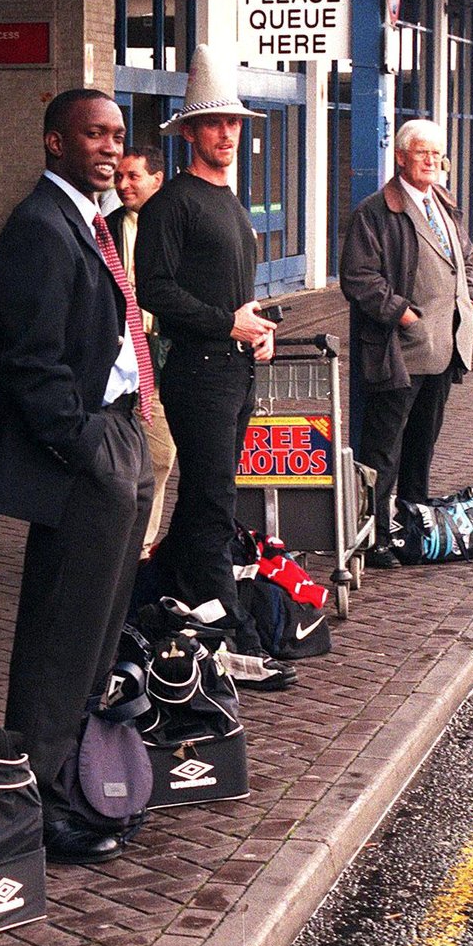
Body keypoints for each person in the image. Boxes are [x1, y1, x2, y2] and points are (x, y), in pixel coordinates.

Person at [0, 89, 154, 866]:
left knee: (99, 629)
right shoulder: (39, 227)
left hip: (117, 429)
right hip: (85, 447)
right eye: (93, 135)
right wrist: (81, 443)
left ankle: (76, 776)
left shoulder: (88, 220)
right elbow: (29, 359)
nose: (110, 148)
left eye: (116, 135)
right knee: (60, 633)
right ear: (54, 142)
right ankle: (35, 802)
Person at [134, 44, 276, 645]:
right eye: (215, 123)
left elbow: (232, 292)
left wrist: (258, 331)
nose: (227, 133)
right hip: (198, 372)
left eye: (234, 123)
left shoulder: (227, 201)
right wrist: (228, 326)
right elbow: (156, 290)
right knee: (214, 497)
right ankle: (228, 626)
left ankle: (170, 599)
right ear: (190, 131)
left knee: (207, 494)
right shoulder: (172, 205)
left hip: (234, 368)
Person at [339, 117, 473, 569]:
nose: (431, 161)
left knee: (423, 441)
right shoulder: (377, 210)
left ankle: (415, 523)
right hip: (400, 350)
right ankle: (374, 536)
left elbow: (466, 260)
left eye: (437, 154)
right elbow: (358, 277)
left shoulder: (443, 201)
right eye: (422, 153)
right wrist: (402, 311)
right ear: (400, 157)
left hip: (444, 347)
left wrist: (470, 299)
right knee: (383, 448)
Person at [107, 145, 176, 557]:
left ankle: (143, 543)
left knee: (161, 453)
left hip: (163, 351)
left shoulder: (173, 224)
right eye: (119, 176)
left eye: (133, 176)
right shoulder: (108, 226)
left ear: (157, 178)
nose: (123, 184)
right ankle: (125, 540)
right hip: (121, 352)